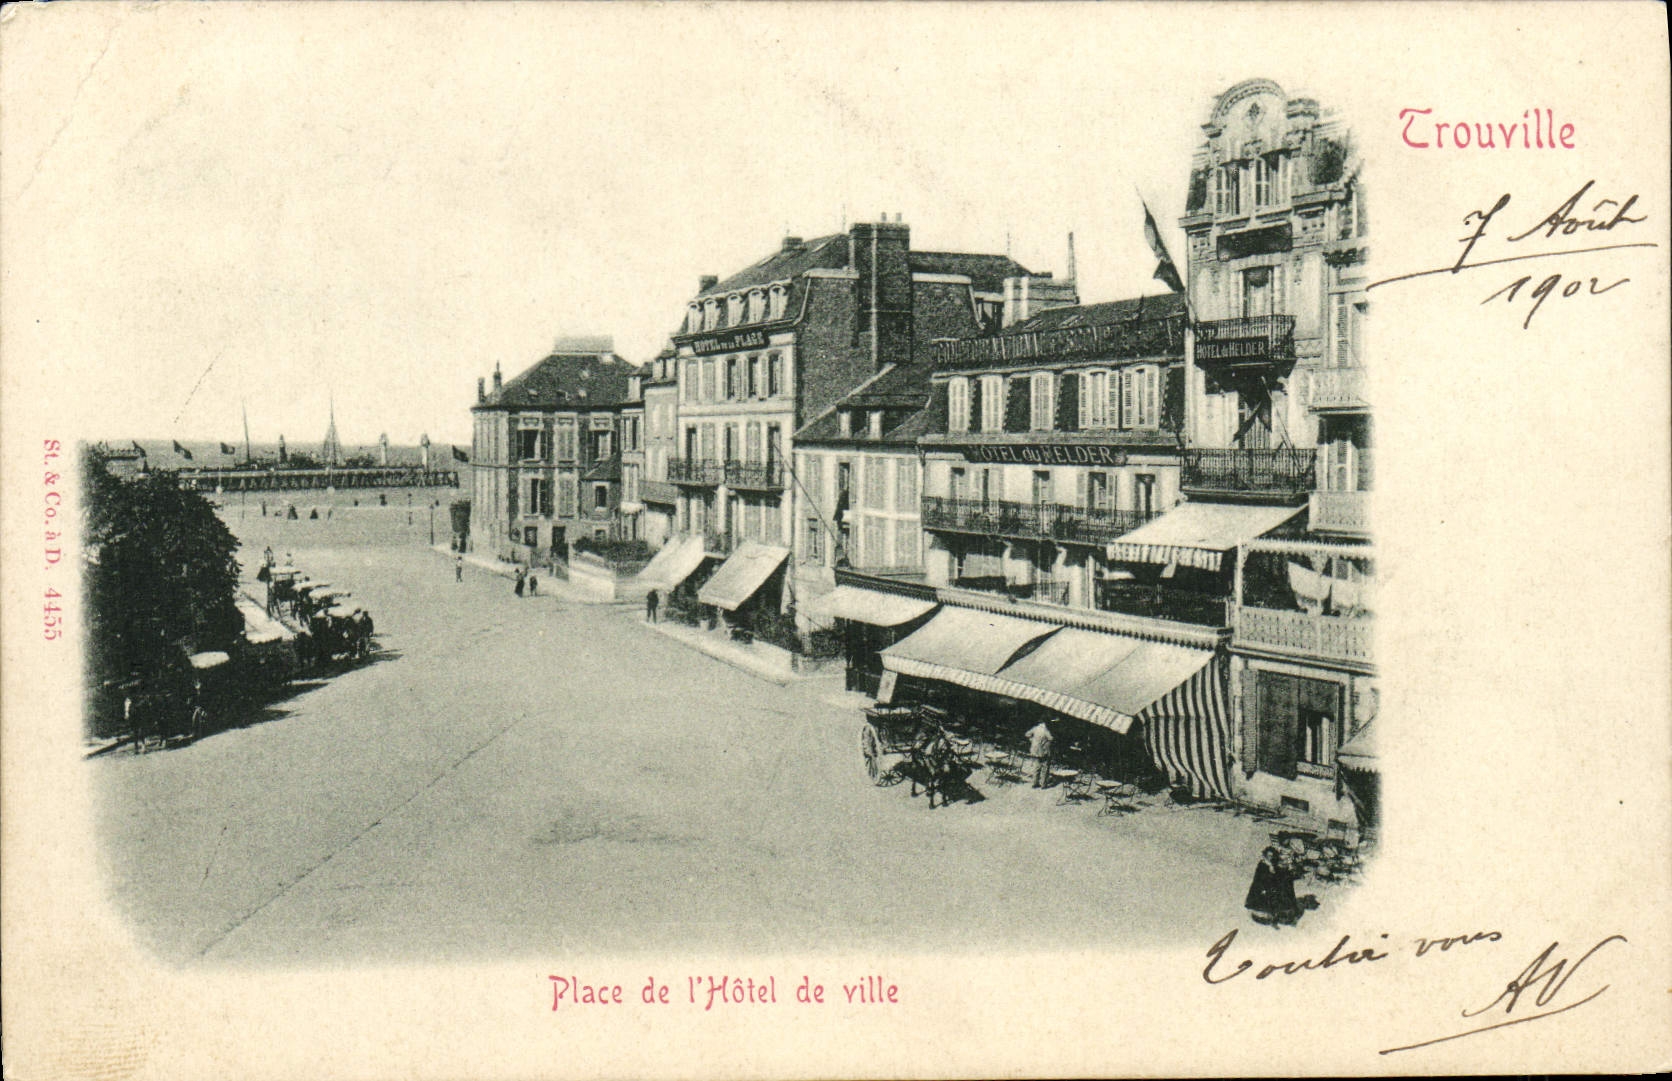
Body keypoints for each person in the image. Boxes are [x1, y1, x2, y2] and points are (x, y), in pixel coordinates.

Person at [1245, 846, 1303, 927]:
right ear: (1265, 855)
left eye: (1272, 856)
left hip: (1270, 886)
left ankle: (1282, 912)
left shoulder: (1274, 865)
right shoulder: (1263, 865)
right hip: (1261, 887)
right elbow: (1261, 879)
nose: (1270, 858)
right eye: (1269, 856)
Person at [1026, 719, 1054, 788]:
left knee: (1037, 766)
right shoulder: (1045, 731)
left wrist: (1032, 740)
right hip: (1043, 751)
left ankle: (1035, 783)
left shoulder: (1035, 728)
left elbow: (1027, 734)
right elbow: (1051, 739)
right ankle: (1043, 784)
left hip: (1035, 751)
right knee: (1045, 767)